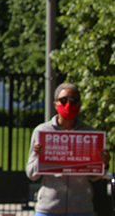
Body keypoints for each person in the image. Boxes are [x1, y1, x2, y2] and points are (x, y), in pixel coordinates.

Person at [26, 83, 111, 216]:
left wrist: (103, 165)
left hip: (81, 209)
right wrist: (38, 157)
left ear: (79, 104)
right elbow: (31, 174)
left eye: (74, 100)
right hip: (49, 208)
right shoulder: (42, 131)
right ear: (55, 104)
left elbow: (94, 176)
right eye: (63, 100)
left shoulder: (89, 133)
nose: (68, 104)